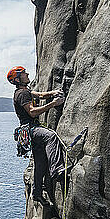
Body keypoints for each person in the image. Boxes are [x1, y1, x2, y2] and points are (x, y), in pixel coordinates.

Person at [8, 66, 66, 205]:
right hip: (31, 129)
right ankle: (57, 170)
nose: (27, 74)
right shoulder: (22, 94)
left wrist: (53, 92)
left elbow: (39, 95)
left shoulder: (24, 91)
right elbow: (32, 112)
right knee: (50, 136)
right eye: (23, 74)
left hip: (29, 131)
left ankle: (37, 194)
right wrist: (53, 103)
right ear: (18, 79)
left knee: (40, 164)